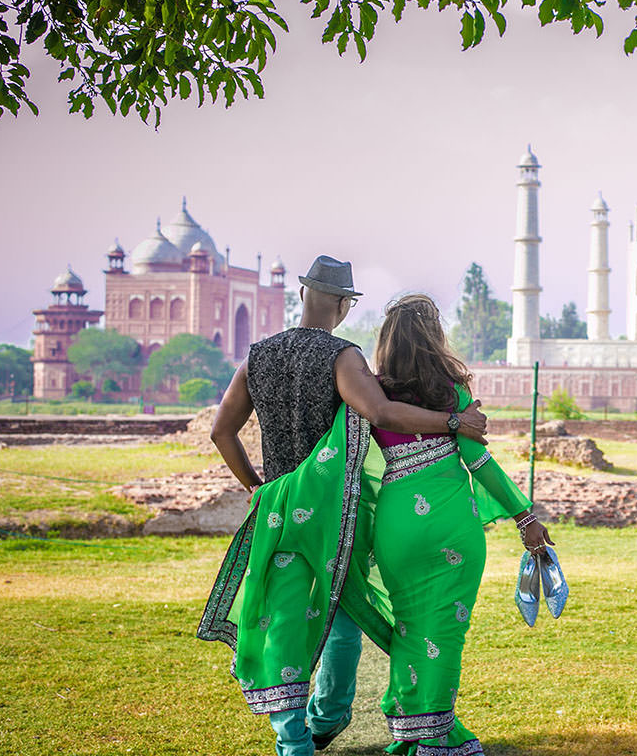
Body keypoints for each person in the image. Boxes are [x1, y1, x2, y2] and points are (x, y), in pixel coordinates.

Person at [198, 256, 489, 756]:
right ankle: (327, 716)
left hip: (279, 508)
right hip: (334, 512)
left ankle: (293, 742)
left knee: (283, 617)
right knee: (341, 613)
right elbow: (381, 411)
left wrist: (257, 487)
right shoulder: (342, 357)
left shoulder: (257, 357)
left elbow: (221, 431)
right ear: (342, 304)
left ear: (303, 294)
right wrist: (454, 422)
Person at [368, 294, 553, 756]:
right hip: (451, 527)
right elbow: (480, 462)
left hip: (396, 528)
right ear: (434, 338)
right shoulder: (452, 395)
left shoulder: (371, 396)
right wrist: (525, 516)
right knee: (445, 634)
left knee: (409, 627)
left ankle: (412, 732)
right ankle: (435, 738)